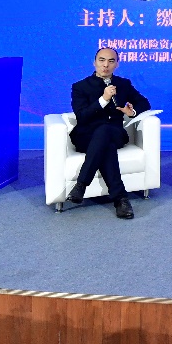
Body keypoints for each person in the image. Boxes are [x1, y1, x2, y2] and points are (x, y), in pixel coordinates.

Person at [67, 47, 151, 219]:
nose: (106, 65)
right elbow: (82, 116)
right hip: (86, 136)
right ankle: (120, 199)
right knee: (107, 147)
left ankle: (81, 185)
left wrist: (132, 112)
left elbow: (144, 102)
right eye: (102, 60)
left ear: (117, 64)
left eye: (111, 61)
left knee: (105, 132)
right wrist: (103, 99)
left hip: (115, 133)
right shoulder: (80, 87)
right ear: (94, 62)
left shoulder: (123, 84)